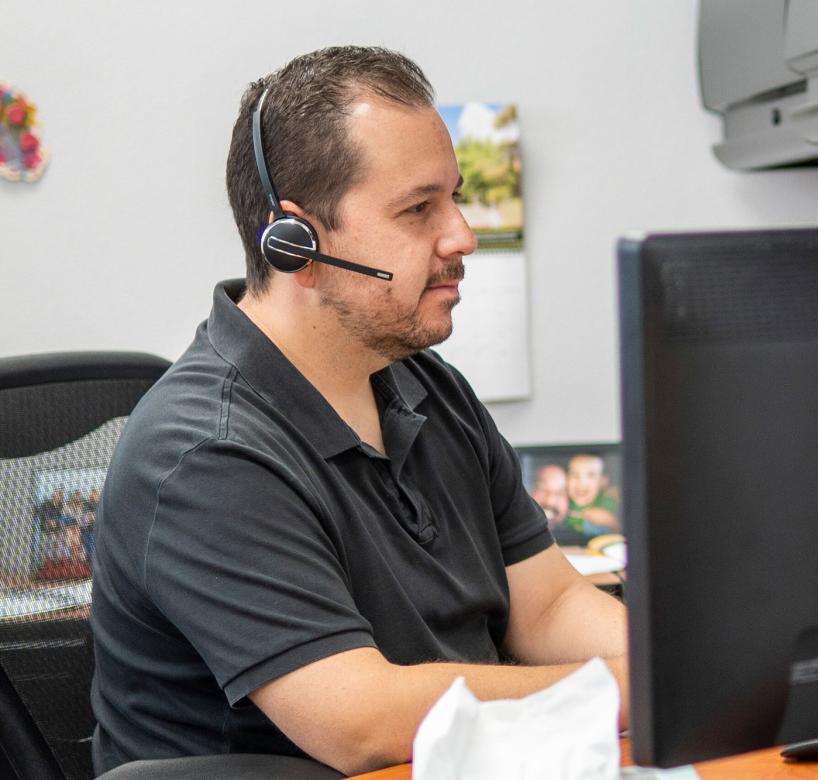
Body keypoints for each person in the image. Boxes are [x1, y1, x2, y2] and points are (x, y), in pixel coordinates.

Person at [90, 46, 628, 777]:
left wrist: (684, 666)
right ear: (295, 244)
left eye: (455, 197)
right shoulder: (204, 453)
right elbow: (363, 720)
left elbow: (549, 607)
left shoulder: (425, 386)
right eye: (418, 209)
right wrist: (618, 692)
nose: (462, 236)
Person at [562, 453, 620, 540]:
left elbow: (621, 531)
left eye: (591, 475)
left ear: (602, 482)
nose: (581, 482)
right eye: (574, 475)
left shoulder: (607, 502)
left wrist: (610, 521)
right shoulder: (563, 502)